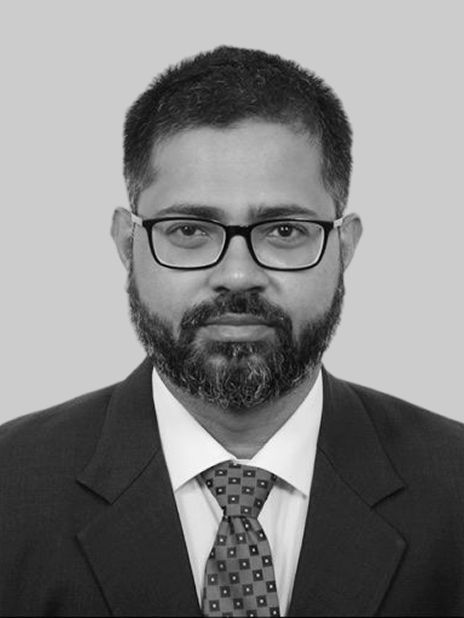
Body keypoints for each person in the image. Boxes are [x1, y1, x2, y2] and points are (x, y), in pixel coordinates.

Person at [1, 45, 462, 618]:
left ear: (345, 246)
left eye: (285, 230)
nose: (238, 275)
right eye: (190, 230)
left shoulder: (456, 481)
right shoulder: (9, 485)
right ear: (126, 244)